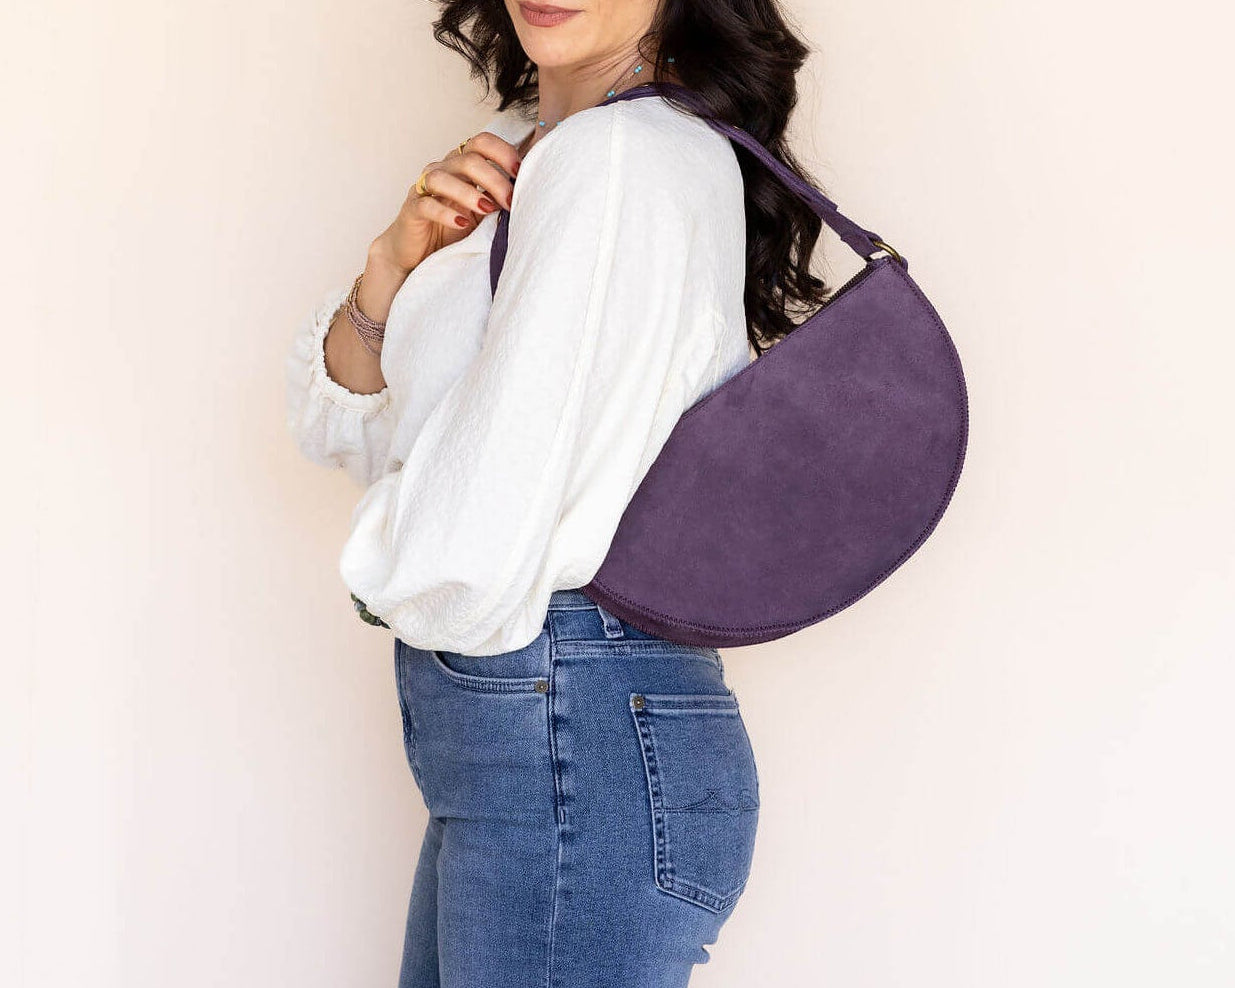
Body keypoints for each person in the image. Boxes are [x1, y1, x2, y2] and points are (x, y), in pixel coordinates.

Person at [285, 1, 830, 983]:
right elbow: (356, 434)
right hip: (544, 728)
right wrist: (389, 269)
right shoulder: (530, 153)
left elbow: (479, 521)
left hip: (568, 720)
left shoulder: (620, 159)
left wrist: (390, 575)